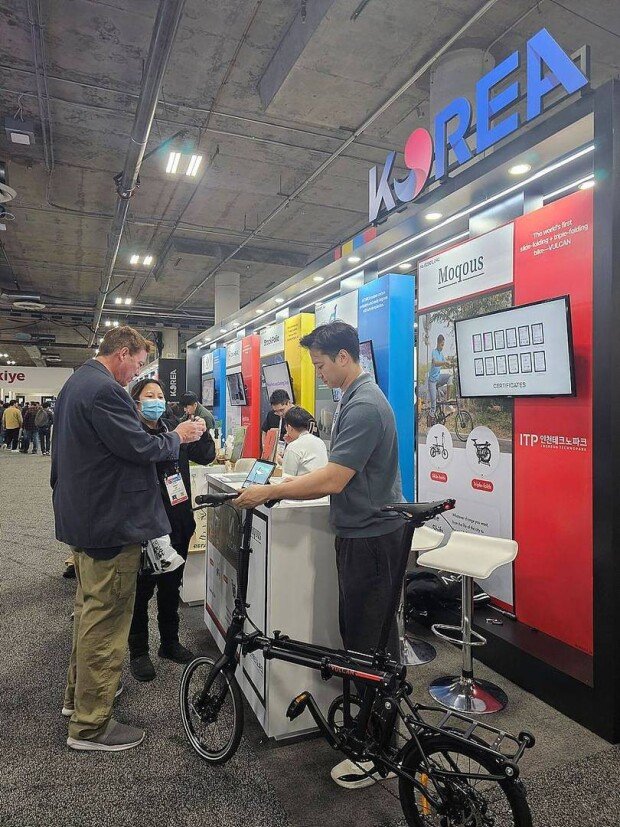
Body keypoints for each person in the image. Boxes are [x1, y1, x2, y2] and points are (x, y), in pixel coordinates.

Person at [234, 321, 404, 790]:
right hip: (362, 534)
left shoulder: (364, 404)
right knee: (365, 639)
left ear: (344, 357)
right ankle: (375, 735)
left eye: (322, 364)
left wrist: (272, 490)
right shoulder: (354, 398)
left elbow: (333, 479)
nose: (319, 373)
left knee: (370, 646)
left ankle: (377, 752)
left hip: (371, 538)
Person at [51, 326, 206, 753]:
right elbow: (138, 447)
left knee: (89, 613)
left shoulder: (77, 383)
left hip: (87, 518)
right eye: (137, 364)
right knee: (106, 622)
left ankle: (78, 699)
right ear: (122, 353)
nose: (136, 373)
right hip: (109, 521)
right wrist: (177, 437)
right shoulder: (105, 390)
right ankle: (90, 726)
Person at [128, 378, 215, 681]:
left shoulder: (174, 428)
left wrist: (201, 431)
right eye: (149, 395)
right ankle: (138, 651)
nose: (156, 400)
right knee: (140, 592)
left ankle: (169, 642)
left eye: (160, 395)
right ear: (136, 401)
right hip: (144, 526)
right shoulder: (131, 434)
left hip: (177, 521)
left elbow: (206, 456)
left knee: (171, 586)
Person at [281, 406, 328, 476]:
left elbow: (287, 477)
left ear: (290, 428)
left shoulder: (293, 447)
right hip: (322, 482)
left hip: (303, 483)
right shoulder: (319, 441)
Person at [428, 334, 450, 418]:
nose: (442, 347)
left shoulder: (441, 354)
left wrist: (453, 364)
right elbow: (435, 363)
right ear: (438, 343)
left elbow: (446, 363)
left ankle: (447, 400)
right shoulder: (434, 352)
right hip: (432, 381)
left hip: (438, 378)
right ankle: (431, 419)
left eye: (443, 345)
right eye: (441, 345)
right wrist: (444, 362)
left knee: (449, 377)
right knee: (433, 404)